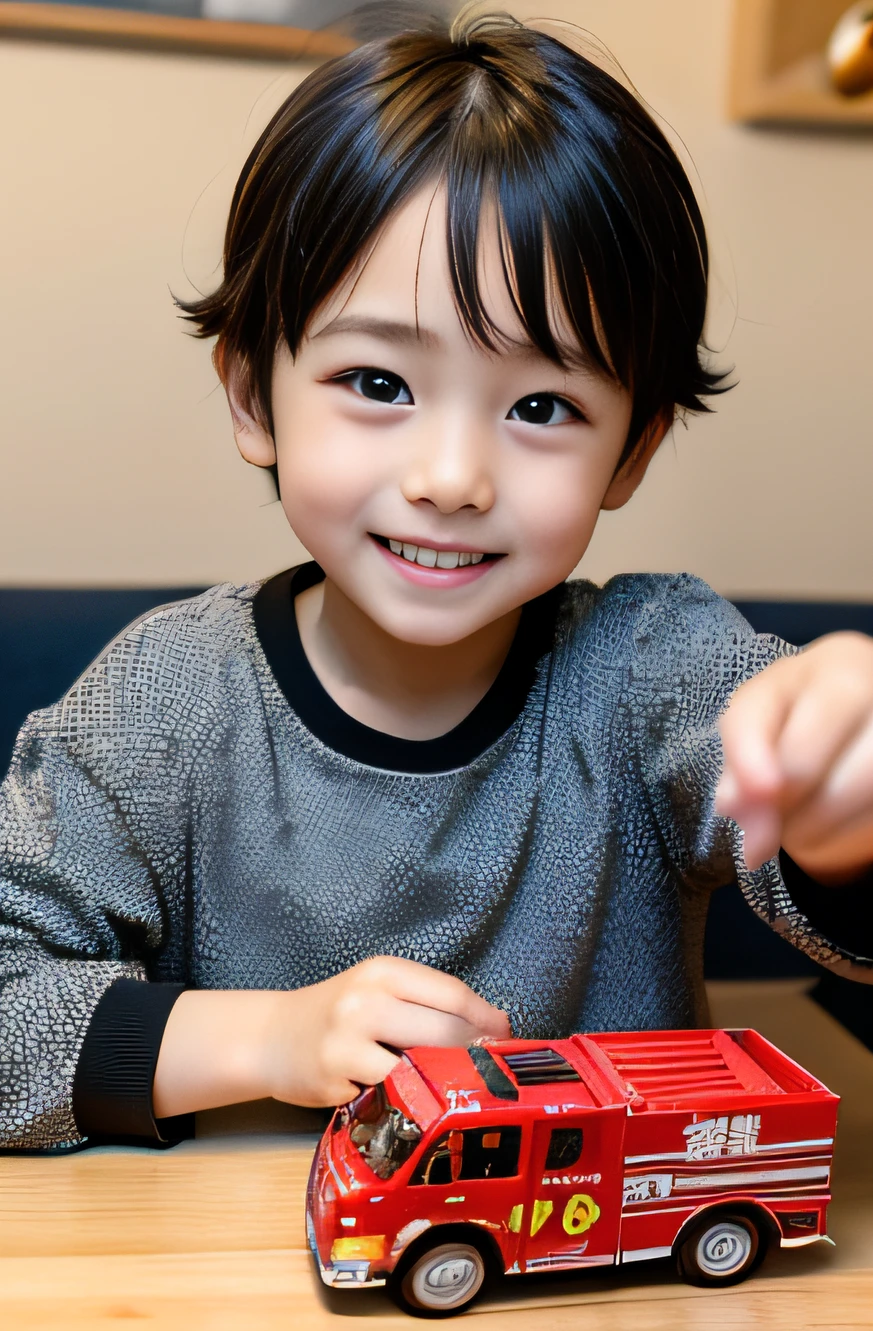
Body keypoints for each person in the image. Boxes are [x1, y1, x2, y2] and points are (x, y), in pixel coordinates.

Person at [1, 11, 871, 1155]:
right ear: (256, 397)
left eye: (542, 408)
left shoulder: (654, 669)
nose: (452, 477)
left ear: (635, 450)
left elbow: (818, 850)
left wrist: (840, 805)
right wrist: (266, 1039)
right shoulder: (168, 701)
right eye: (377, 379)